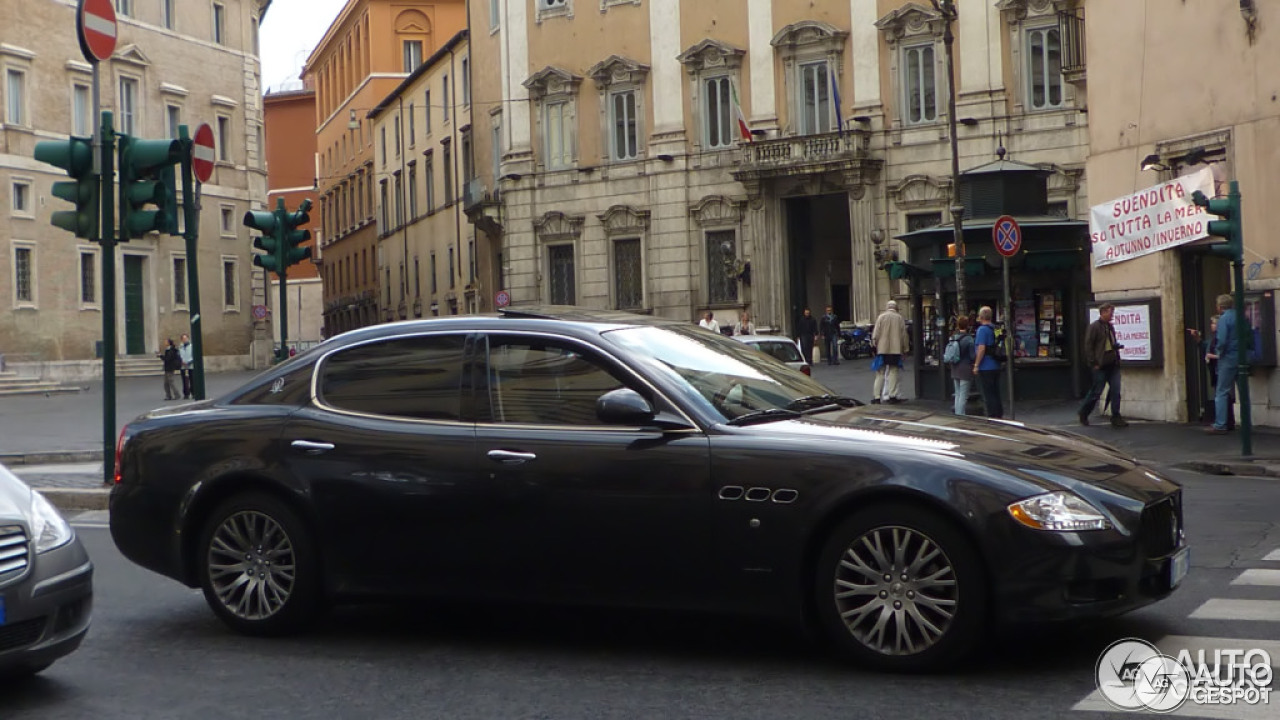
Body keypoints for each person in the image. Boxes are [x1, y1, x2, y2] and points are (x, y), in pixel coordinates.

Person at [1078, 302, 1128, 428]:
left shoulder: (1110, 327)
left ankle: (1116, 416)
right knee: (1096, 392)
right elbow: (1088, 345)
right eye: (1110, 312)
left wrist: (1116, 347)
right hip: (1100, 365)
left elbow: (1110, 342)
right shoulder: (1094, 327)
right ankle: (1084, 412)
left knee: (1115, 391)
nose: (1112, 315)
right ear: (1103, 312)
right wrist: (1093, 362)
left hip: (1113, 363)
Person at [1188, 316, 1235, 429]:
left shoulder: (1222, 338)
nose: (1212, 325)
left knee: (1222, 393)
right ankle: (1225, 421)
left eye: (1214, 323)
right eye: (1212, 323)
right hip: (1215, 369)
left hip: (1220, 368)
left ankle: (1224, 422)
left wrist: (1212, 356)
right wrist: (1197, 338)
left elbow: (1225, 354)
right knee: (1221, 393)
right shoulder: (1213, 338)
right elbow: (1205, 346)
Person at [1207, 294, 1240, 434]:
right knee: (1243, 392)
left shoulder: (1224, 319)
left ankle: (1220, 424)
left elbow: (1222, 339)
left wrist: (1219, 353)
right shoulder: (1241, 316)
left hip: (1228, 357)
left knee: (1221, 392)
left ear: (1219, 306)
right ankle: (1246, 421)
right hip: (1242, 357)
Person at [870, 300, 908, 404]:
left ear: (887, 307)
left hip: (882, 349)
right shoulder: (899, 318)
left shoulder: (881, 317)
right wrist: (905, 349)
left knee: (880, 373)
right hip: (895, 350)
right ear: (896, 308)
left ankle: (877, 397)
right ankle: (892, 395)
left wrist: (874, 345)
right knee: (893, 372)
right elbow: (904, 335)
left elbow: (876, 334)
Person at [971, 306, 1004, 418]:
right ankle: (999, 414)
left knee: (988, 393)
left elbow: (981, 348)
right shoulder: (996, 328)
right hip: (996, 363)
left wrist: (976, 365)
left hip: (986, 366)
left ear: (981, 317)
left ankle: (992, 416)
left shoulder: (982, 330)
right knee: (996, 391)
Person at [948, 316, 976, 415]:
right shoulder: (969, 339)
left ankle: (957, 414)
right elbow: (973, 356)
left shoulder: (953, 337)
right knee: (963, 395)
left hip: (955, 368)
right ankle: (961, 416)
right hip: (965, 369)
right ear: (967, 325)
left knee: (957, 394)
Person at [178, 333, 193, 399]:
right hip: (183, 366)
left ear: (188, 339)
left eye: (185, 338)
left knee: (192, 380)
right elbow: (178, 355)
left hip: (191, 366)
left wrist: (189, 362)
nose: (184, 340)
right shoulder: (180, 347)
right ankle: (186, 394)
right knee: (184, 381)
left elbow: (194, 355)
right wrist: (181, 361)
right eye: (183, 339)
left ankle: (193, 393)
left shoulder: (191, 346)